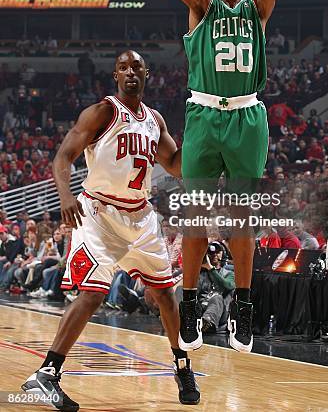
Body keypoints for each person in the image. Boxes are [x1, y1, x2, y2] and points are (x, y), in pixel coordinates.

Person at [21, 51, 200, 410]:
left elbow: (177, 166)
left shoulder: (154, 120)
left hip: (141, 215)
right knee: (92, 293)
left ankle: (182, 365)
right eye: (123, 68)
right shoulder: (102, 112)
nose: (130, 72)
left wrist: (201, 137)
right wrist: (65, 195)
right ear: (115, 75)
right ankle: (46, 374)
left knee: (165, 296)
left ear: (146, 74)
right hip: (99, 212)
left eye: (136, 67)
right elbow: (62, 157)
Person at [160, 0, 281, 353]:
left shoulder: (258, 9)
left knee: (240, 219)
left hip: (248, 117)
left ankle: (244, 306)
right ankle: (189, 302)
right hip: (205, 116)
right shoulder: (201, 5)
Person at [199, 241, 235, 333]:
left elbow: (227, 286)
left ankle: (206, 322)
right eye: (211, 253)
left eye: (218, 252)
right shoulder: (201, 273)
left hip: (220, 312)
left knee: (217, 298)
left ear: (223, 254)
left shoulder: (229, 273)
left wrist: (211, 269)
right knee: (181, 290)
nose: (214, 254)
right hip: (202, 308)